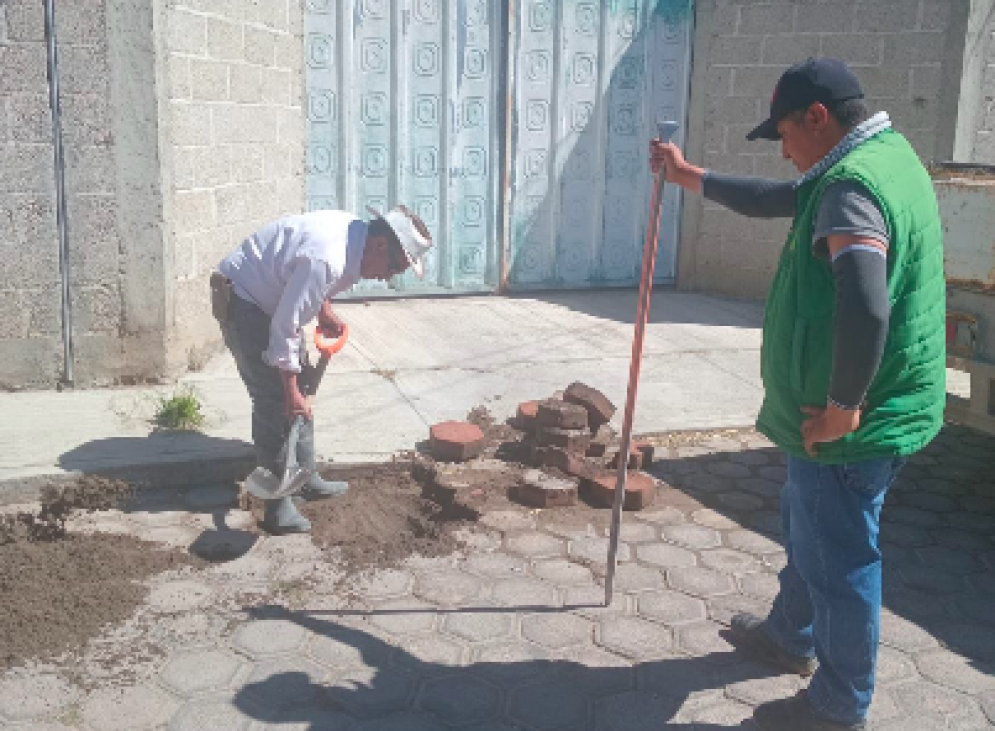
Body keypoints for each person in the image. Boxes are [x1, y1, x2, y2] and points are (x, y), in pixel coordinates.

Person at [650, 58, 946, 730]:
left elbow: (865, 306)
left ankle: (839, 706)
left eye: (783, 133)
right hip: (884, 400)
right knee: (808, 527)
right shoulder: (882, 156)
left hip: (846, 421)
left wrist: (842, 407)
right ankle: (788, 634)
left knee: (837, 557)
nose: (781, 151)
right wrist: (687, 175)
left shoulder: (850, 188)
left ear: (816, 117)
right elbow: (775, 198)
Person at [212, 206, 433, 535]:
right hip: (244, 300)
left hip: (270, 297)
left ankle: (306, 477)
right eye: (395, 267)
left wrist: (323, 309)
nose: (389, 278)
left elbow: (311, 282)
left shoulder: (354, 237)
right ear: (381, 245)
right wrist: (289, 391)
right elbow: (285, 329)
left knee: (299, 388)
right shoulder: (328, 256)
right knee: (276, 401)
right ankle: (278, 505)